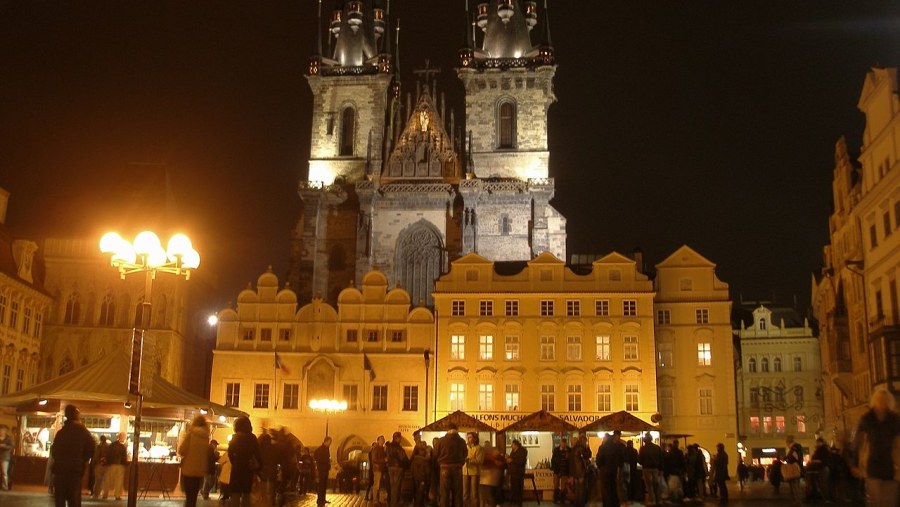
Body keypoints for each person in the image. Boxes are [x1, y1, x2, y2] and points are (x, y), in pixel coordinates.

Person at [853, 388, 900, 507]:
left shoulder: (894, 420)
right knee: (875, 500)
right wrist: (855, 463)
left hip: (891, 466)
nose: (882, 402)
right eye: (879, 400)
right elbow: (857, 441)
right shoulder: (867, 419)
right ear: (874, 401)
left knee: (890, 501)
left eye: (884, 400)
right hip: (872, 465)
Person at [50, 404, 95, 507]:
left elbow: (54, 451)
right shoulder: (83, 432)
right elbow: (91, 449)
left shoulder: (61, 432)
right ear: (76, 415)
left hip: (60, 469)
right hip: (75, 470)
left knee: (59, 499)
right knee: (74, 500)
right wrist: (83, 460)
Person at [227, 416, 261, 507]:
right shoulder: (252, 438)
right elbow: (257, 454)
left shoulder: (234, 438)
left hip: (237, 468)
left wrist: (235, 462)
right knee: (246, 494)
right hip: (248, 469)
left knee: (235, 494)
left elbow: (230, 454)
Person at [178, 414, 211, 507]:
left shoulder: (191, 435)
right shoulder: (206, 438)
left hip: (188, 470)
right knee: (194, 497)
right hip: (200, 471)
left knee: (189, 496)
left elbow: (182, 450)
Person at [435, 423, 467, 507]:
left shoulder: (441, 441)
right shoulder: (462, 441)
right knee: (457, 493)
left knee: (444, 493)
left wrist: (439, 462)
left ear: (447, 429)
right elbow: (465, 454)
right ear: (456, 430)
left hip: (444, 467)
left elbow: (435, 454)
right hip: (457, 467)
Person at [596, 434, 623, 507]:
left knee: (606, 490)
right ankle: (615, 504)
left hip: (604, 471)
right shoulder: (616, 447)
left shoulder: (603, 447)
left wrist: (600, 466)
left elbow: (598, 461)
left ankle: (607, 504)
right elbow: (621, 459)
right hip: (613, 471)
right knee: (613, 489)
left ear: (606, 439)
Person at [101, 432, 128, 500]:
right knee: (119, 481)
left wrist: (108, 462)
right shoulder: (123, 447)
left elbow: (107, 454)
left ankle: (105, 494)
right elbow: (124, 457)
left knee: (107, 480)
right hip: (120, 465)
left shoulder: (112, 445)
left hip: (111, 465)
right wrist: (125, 464)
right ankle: (117, 495)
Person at [638, 434, 663, 507]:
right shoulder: (657, 447)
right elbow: (661, 459)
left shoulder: (643, 448)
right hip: (655, 469)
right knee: (656, 485)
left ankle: (652, 500)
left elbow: (639, 460)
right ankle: (658, 500)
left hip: (646, 468)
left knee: (649, 485)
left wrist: (643, 462)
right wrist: (661, 469)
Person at [411, 431, 434, 507]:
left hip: (416, 477)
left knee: (417, 492)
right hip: (421, 478)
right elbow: (425, 471)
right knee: (420, 493)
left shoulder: (415, 459)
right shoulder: (423, 460)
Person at [479, 439, 504, 507]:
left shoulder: (486, 454)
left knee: (488, 496)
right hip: (490, 478)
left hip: (487, 478)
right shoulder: (495, 454)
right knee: (489, 496)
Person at [386, 431, 408, 507]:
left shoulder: (388, 447)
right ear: (397, 438)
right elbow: (403, 458)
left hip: (390, 467)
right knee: (396, 486)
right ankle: (394, 504)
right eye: (400, 438)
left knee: (392, 486)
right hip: (397, 467)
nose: (401, 439)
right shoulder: (398, 447)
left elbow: (387, 457)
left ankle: (391, 502)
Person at [463, 432, 483, 507]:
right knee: (465, 493)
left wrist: (469, 460)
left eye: (470, 437)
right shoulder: (465, 447)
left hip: (474, 472)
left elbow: (479, 461)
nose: (468, 439)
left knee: (474, 493)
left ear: (475, 439)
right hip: (465, 471)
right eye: (467, 437)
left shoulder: (479, 448)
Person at [506, 439, 527, 507]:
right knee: (513, 488)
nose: (511, 446)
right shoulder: (513, 451)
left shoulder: (522, 451)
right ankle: (513, 502)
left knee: (518, 488)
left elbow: (521, 461)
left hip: (518, 473)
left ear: (516, 445)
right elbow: (512, 459)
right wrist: (508, 458)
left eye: (512, 445)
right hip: (513, 472)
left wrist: (511, 460)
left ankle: (517, 503)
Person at [550, 437, 570, 504]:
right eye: (562, 443)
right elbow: (553, 460)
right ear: (560, 443)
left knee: (563, 486)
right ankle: (556, 499)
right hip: (557, 469)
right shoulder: (556, 450)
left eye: (564, 444)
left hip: (565, 470)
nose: (563, 445)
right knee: (556, 484)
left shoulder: (568, 450)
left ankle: (562, 499)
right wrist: (553, 467)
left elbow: (570, 461)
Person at [314, 436, 332, 507]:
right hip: (322, 469)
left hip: (325, 469)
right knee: (321, 485)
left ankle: (322, 499)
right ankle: (320, 499)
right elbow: (319, 458)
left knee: (324, 485)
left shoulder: (325, 449)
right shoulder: (321, 449)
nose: (330, 444)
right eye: (329, 442)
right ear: (326, 441)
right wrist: (326, 462)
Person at [371, 435, 388, 505]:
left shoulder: (382, 448)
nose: (383, 440)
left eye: (383, 439)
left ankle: (381, 499)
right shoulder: (376, 448)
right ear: (378, 440)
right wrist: (384, 460)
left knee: (381, 485)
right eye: (381, 439)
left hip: (382, 468)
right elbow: (374, 459)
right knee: (377, 485)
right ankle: (375, 499)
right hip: (378, 469)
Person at [0, 424, 13, 491]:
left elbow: (11, 446)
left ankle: (5, 486)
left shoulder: (8, 438)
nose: (1, 431)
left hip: (5, 457)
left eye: (3, 430)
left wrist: (4, 446)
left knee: (4, 472)